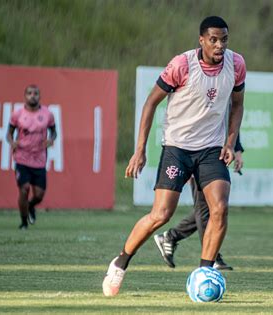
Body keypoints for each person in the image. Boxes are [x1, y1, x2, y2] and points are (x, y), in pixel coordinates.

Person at [102, 16, 246, 297]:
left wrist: (230, 142)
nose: (220, 45)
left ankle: (206, 272)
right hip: (177, 149)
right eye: (214, 40)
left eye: (224, 39)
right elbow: (150, 103)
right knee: (161, 214)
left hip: (211, 150)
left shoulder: (236, 64)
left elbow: (238, 104)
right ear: (202, 40)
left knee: (220, 208)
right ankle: (121, 261)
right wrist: (140, 149)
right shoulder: (181, 65)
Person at [154, 137, 244, 270]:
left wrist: (237, 150)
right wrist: (189, 165)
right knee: (205, 210)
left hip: (215, 156)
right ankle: (212, 259)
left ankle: (170, 237)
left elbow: (231, 122)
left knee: (214, 209)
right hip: (197, 155)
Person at [6, 85, 57, 230]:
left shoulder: (47, 114)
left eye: (35, 93)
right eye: (29, 93)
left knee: (39, 195)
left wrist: (51, 139)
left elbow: (54, 132)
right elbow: (9, 133)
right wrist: (12, 142)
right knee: (24, 189)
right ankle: (23, 222)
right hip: (22, 158)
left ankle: (30, 206)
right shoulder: (17, 114)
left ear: (39, 96)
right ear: (25, 96)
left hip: (39, 159)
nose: (32, 96)